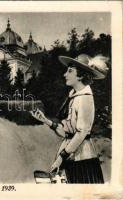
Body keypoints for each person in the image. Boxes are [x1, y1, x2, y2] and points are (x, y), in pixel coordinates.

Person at [31, 54, 108, 183]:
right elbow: (66, 132)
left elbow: (81, 133)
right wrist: (45, 120)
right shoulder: (74, 96)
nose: (65, 74)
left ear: (81, 75)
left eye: (70, 71)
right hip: (70, 156)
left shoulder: (85, 98)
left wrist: (62, 157)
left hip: (82, 159)